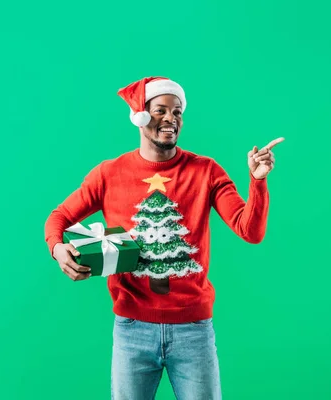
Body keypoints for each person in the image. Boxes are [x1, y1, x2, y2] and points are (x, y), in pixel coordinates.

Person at [44, 76, 283, 399]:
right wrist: (58, 250)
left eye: (177, 112)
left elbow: (250, 231)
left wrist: (257, 181)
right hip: (131, 328)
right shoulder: (109, 173)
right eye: (160, 111)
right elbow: (58, 217)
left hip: (193, 330)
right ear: (141, 115)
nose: (171, 119)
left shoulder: (207, 171)